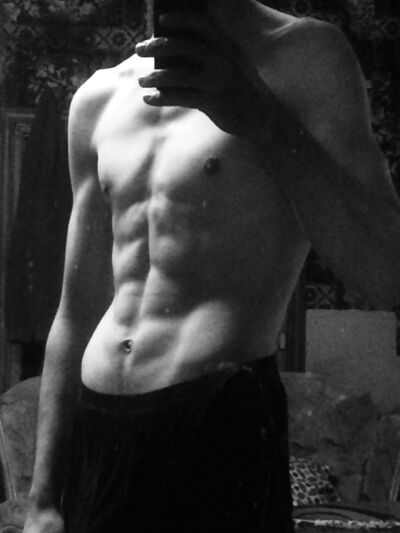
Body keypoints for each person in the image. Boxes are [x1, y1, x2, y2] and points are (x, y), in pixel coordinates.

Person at [23, 0, 400, 532]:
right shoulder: (99, 97)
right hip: (98, 436)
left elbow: (386, 273)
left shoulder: (303, 57)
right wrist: (41, 500)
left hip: (216, 430)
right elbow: (76, 310)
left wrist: (262, 119)